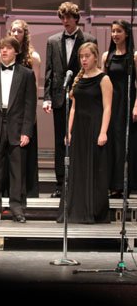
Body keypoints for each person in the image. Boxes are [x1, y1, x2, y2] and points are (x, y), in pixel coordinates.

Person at [0, 36, 37, 224]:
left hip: (17, 127)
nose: (4, 51)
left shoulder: (27, 74)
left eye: (8, 48)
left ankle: (17, 209)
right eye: (1, 48)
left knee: (17, 171)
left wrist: (27, 131)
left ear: (16, 51)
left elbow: (30, 105)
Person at [43, 2, 97, 198]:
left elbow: (92, 70)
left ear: (76, 18)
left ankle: (78, 182)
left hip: (81, 97)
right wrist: (47, 97)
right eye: (62, 18)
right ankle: (60, 183)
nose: (65, 21)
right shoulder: (53, 41)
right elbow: (49, 70)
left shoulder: (89, 39)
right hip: (58, 96)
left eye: (68, 17)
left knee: (78, 139)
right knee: (60, 141)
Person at [59, 43, 112, 223]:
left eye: (87, 56)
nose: (83, 60)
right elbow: (74, 108)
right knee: (78, 168)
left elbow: (107, 107)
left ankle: (94, 210)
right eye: (81, 56)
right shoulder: (78, 79)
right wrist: (69, 130)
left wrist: (103, 132)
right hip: (79, 128)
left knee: (94, 168)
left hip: (95, 126)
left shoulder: (103, 79)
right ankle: (76, 209)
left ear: (95, 57)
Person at [101, 20, 137, 198]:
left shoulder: (134, 56)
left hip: (128, 103)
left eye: (119, 31)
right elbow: (103, 81)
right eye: (113, 31)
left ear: (127, 34)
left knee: (125, 143)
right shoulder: (107, 56)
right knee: (112, 142)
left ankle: (125, 184)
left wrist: (136, 105)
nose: (115, 34)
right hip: (111, 103)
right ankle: (112, 184)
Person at [8, 19, 41, 197]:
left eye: (19, 31)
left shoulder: (33, 57)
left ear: (25, 34)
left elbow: (34, 87)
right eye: (13, 31)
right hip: (9, 109)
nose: (15, 34)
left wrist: (32, 113)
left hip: (25, 108)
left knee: (26, 148)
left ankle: (28, 190)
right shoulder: (5, 55)